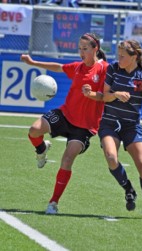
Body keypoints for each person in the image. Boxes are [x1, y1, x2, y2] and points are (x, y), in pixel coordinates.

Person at [21, 33, 108, 215]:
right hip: (65, 114)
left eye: (85, 49)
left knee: (67, 160)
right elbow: (59, 67)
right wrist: (33, 62)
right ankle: (41, 149)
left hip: (84, 127)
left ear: (95, 49)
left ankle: (53, 202)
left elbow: (106, 96)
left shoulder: (104, 70)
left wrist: (92, 94)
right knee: (34, 131)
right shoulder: (77, 67)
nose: (81, 52)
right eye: (79, 48)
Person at [98, 39, 142, 220]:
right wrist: (116, 95)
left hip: (131, 126)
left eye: (122, 55)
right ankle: (128, 188)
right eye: (118, 55)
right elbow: (104, 97)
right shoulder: (113, 69)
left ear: (133, 56)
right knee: (111, 158)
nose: (118, 58)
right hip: (110, 122)